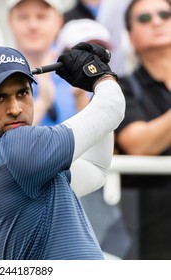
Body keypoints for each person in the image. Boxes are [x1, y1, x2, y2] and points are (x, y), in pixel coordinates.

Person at [0, 43, 125, 259]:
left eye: (22, 93)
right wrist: (100, 77)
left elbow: (96, 170)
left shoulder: (8, 158)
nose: (15, 109)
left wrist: (93, 88)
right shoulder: (18, 148)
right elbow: (111, 108)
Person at [55, 18, 132, 259]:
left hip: (106, 212)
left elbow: (111, 154)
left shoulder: (116, 89)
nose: (91, 63)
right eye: (82, 52)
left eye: (97, 51)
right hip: (59, 210)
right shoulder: (42, 91)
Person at [114, 0, 171, 260]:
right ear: (130, 34)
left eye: (164, 14)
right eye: (144, 18)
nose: (157, 21)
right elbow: (138, 144)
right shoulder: (120, 88)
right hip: (154, 227)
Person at [7, 0, 83, 127]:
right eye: (23, 17)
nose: (33, 25)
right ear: (10, 21)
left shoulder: (78, 68)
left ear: (59, 21)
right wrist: (42, 102)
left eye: (41, 17)